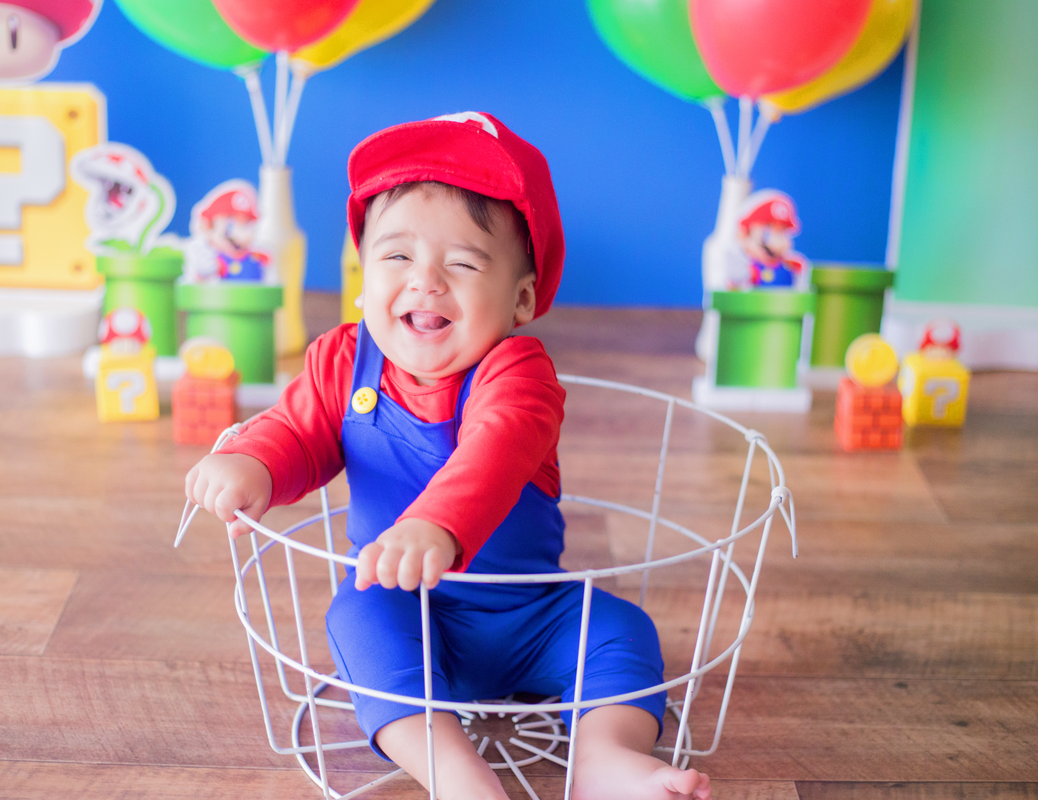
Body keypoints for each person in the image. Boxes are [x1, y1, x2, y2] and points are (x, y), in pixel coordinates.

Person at [184, 112, 712, 800]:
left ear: (521, 298)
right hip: (408, 609)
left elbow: (498, 446)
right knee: (356, 618)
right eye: (396, 258)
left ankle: (605, 756)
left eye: (462, 263)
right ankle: (455, 773)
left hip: (532, 613)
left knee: (620, 632)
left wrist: (437, 524)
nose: (425, 280)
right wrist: (252, 463)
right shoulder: (342, 362)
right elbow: (296, 431)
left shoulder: (517, 373)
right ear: (362, 280)